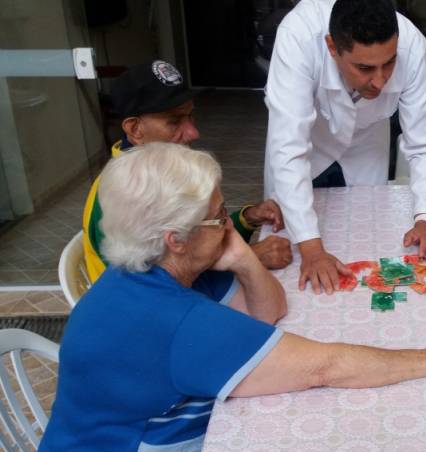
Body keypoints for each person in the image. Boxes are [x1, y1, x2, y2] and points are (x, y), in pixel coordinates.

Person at [37, 143, 426, 452]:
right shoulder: (172, 319)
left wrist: (238, 255)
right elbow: (323, 367)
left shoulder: (154, 270)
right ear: (175, 239)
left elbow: (269, 310)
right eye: (219, 215)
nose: (231, 221)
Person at [265, 0, 426, 295]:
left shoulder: (412, 46)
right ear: (332, 47)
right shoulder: (298, 37)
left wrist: (424, 218)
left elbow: (424, 143)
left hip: (367, 141)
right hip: (309, 142)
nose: (380, 81)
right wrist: (311, 249)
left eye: (389, 63)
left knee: (368, 240)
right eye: (365, 68)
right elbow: (289, 147)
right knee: (291, 243)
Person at [83, 59, 291, 284]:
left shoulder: (165, 171)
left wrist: (246, 218)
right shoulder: (121, 196)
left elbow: (199, 239)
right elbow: (157, 288)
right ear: (135, 129)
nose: (193, 133)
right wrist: (250, 258)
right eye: (174, 121)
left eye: (190, 116)